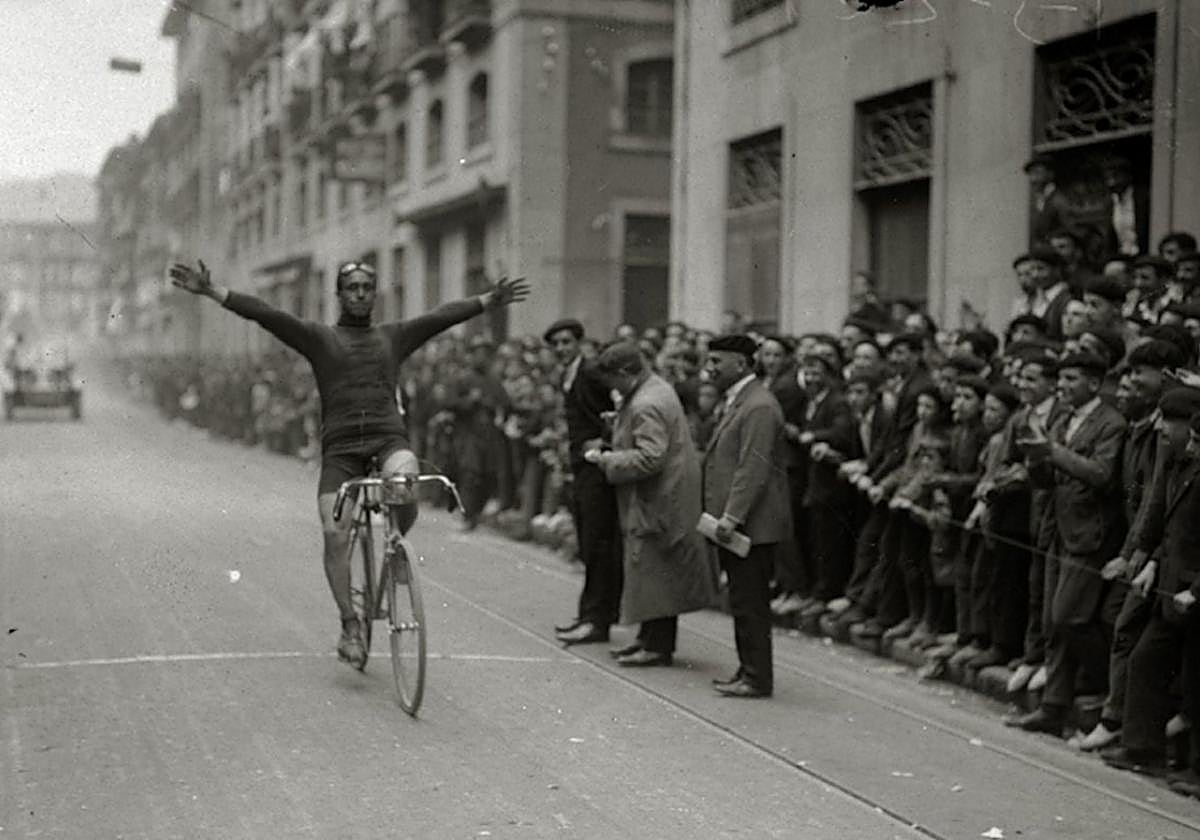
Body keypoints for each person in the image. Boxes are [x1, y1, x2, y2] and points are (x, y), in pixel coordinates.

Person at [167, 259, 529, 667]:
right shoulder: (319, 338)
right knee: (334, 533)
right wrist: (213, 291)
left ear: (374, 295)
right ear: (339, 295)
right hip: (341, 451)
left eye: (366, 288)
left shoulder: (394, 337)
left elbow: (440, 317)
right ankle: (350, 624)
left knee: (406, 480)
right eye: (352, 288)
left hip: (387, 439)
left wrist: (488, 301)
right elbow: (266, 314)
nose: (359, 294)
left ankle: (396, 551)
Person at [1007, 351, 1127, 737]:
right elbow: (1045, 480)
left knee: (1069, 617)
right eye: (1062, 379)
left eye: (1072, 379)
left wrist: (1051, 452)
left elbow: (1103, 476)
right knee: (1052, 623)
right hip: (1058, 529)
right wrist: (1036, 459)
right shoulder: (1061, 418)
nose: (1063, 386)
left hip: (1090, 534)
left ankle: (1110, 688)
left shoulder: (1111, 423)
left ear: (1094, 383)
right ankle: (1053, 706)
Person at [587, 342, 718, 667]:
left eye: (612, 381)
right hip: (664, 494)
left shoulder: (646, 402)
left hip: (660, 496)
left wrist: (607, 459)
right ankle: (648, 638)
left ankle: (657, 646)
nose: (611, 388)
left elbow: (650, 456)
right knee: (653, 569)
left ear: (625, 373)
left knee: (656, 569)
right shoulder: (653, 388)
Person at [702, 334, 793, 698]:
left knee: (750, 601)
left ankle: (756, 676)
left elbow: (751, 469)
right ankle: (748, 669)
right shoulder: (744, 400)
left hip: (751, 525)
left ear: (740, 364)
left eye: (716, 362)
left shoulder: (758, 406)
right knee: (742, 599)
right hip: (743, 522)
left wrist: (731, 517)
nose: (709, 369)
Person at [544, 318, 623, 647]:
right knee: (589, 542)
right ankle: (590, 614)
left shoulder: (590, 371)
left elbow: (620, 406)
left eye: (567, 342)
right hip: (580, 466)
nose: (562, 348)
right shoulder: (569, 373)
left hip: (596, 468)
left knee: (598, 543)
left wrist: (605, 442)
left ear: (579, 342)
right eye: (557, 344)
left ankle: (597, 620)